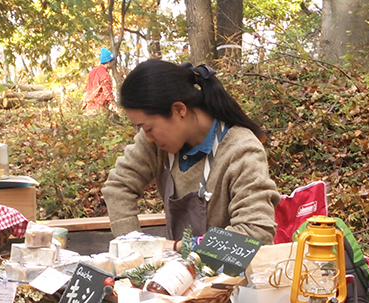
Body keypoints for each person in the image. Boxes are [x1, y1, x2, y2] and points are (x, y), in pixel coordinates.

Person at [102, 59, 277, 241]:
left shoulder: (241, 151)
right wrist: (133, 245)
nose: (147, 137)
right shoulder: (154, 144)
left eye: (148, 128)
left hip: (231, 269)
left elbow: (256, 232)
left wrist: (180, 249)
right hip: (177, 268)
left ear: (179, 110)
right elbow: (118, 187)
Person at [83, 47, 115, 112]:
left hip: (88, 106)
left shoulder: (93, 71)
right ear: (108, 62)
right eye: (113, 61)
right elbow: (108, 93)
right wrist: (117, 107)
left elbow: (87, 89)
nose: (114, 63)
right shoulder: (105, 74)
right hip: (98, 107)